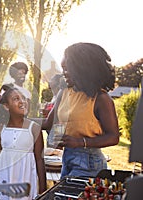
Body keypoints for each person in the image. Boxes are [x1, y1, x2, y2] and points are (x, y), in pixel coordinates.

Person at [41, 42, 120, 178]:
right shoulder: (64, 91)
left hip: (89, 161)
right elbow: (49, 123)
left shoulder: (101, 98)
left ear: (82, 69)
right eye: (62, 68)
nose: (63, 73)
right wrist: (17, 119)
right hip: (67, 157)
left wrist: (80, 142)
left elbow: (113, 137)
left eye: (67, 69)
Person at [0, 87, 47, 199]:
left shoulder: (34, 128)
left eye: (23, 98)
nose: (22, 102)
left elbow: (39, 159)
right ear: (6, 106)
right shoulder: (1, 127)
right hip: (4, 177)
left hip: (25, 177)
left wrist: (43, 190)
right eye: (16, 99)